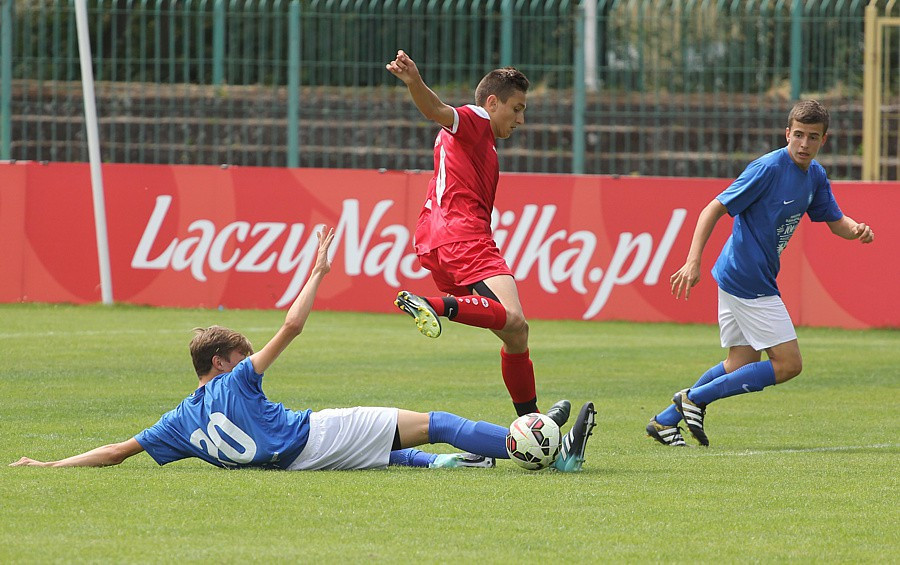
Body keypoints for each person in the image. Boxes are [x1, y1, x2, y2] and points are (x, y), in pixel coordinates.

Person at [10, 228, 596, 472]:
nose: (247, 362)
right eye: (240, 355)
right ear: (220, 364)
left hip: (295, 460)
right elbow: (291, 326)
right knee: (435, 422)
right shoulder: (232, 382)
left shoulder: (177, 423)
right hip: (313, 436)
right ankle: (531, 445)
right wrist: (317, 270)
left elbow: (116, 452)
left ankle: (471, 461)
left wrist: (50, 466)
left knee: (393, 452)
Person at [647, 100, 875, 447]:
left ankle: (665, 422)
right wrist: (693, 260)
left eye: (812, 137)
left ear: (822, 140)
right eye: (797, 135)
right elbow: (714, 208)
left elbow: (835, 222)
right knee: (788, 364)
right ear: (787, 133)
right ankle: (695, 399)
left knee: (740, 361)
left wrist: (856, 228)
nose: (803, 144)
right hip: (747, 278)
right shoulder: (768, 168)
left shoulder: (814, 175)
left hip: (739, 274)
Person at [385, 50, 580, 421]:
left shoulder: (479, 142)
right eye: (517, 108)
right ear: (493, 102)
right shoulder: (476, 121)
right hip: (463, 235)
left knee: (515, 336)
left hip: (438, 238)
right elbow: (438, 111)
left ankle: (530, 419)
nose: (521, 119)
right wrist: (415, 82)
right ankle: (432, 305)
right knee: (514, 319)